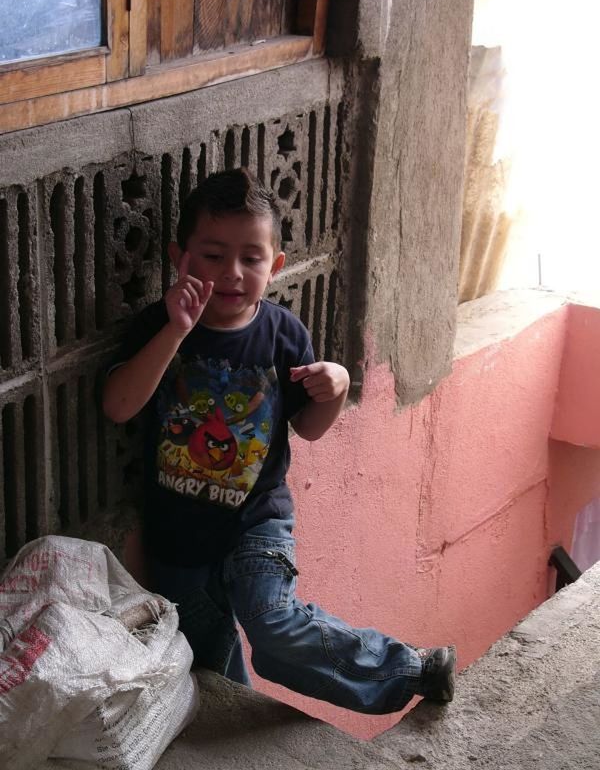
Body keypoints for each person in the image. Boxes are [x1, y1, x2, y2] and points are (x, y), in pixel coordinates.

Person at [103, 168, 456, 713]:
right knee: (212, 671)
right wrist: (176, 330)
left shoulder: (284, 334)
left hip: (256, 521)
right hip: (176, 539)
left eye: (251, 258)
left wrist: (335, 386)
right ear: (181, 257)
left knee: (271, 623)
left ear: (276, 266)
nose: (232, 273)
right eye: (214, 255)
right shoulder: (158, 325)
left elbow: (308, 428)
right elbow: (119, 405)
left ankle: (411, 667)